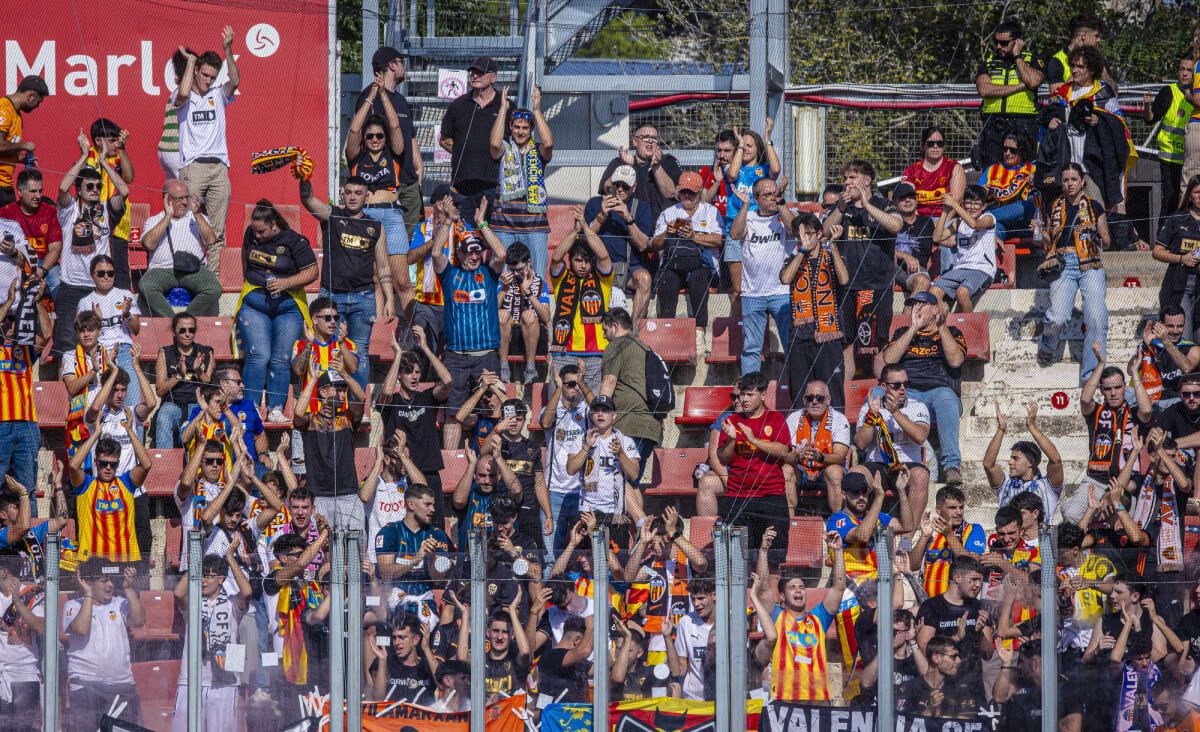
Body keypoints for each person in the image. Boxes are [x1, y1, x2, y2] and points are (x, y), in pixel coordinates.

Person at [299, 175, 394, 394]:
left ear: (367, 197)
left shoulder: (375, 226)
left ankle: (357, 404)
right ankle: (330, 400)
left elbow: (383, 267)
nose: (352, 197)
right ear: (343, 194)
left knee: (359, 352)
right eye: (348, 192)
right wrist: (304, 178)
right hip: (333, 297)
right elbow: (307, 199)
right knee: (329, 348)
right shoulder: (332, 215)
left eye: (358, 193)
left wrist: (389, 298)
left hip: (364, 298)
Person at [432, 195, 507, 450]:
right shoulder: (449, 275)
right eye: (469, 251)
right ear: (460, 253)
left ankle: (492, 460)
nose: (474, 256)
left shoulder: (489, 273)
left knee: (493, 407)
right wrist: (447, 222)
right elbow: (435, 252)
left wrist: (482, 224)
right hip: (456, 356)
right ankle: (450, 466)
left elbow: (501, 253)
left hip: (486, 355)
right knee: (453, 414)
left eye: (477, 251)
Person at [233, 200, 318, 421]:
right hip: (255, 305)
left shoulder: (295, 241)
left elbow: (312, 272)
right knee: (259, 355)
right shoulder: (251, 234)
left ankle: (275, 408)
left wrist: (285, 283)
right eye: (254, 230)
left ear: (273, 225)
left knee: (281, 358)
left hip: (287, 307)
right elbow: (245, 263)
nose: (257, 235)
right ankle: (250, 409)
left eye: (261, 231)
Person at [823, 160, 902, 379]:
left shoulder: (883, 204)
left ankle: (882, 393)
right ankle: (844, 396)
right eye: (845, 178)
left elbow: (896, 225)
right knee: (846, 344)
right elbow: (824, 232)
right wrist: (840, 208)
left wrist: (866, 204)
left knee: (875, 347)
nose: (847, 183)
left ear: (867, 180)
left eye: (852, 178)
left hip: (876, 286)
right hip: (847, 286)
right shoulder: (842, 207)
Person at [881, 290, 967, 485]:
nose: (917, 308)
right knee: (877, 392)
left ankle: (951, 466)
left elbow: (956, 360)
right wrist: (913, 328)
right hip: (907, 392)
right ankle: (875, 457)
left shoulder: (952, 332)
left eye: (922, 304)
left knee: (946, 398)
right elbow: (889, 360)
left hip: (938, 392)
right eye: (914, 304)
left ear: (935, 309)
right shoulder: (902, 333)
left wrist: (941, 327)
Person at [54, 135, 128, 358]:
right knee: (67, 345)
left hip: (98, 287)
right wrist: (85, 156)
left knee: (100, 342)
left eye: (98, 186)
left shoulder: (106, 209)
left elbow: (124, 191)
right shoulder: (70, 210)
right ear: (79, 189)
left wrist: (104, 162)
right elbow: (63, 187)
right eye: (89, 186)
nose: (95, 189)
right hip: (71, 286)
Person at [750, 533, 846, 702]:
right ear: (782, 596)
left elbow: (838, 588)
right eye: (792, 588)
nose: (798, 591)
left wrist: (838, 552)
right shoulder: (777, 616)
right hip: (785, 700)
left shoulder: (818, 619)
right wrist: (763, 551)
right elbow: (763, 589)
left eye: (801, 587)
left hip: (817, 700)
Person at [1037, 163, 1111, 381]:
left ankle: (1091, 375)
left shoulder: (1095, 206)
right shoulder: (1053, 205)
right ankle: (1047, 343)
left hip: (1090, 263)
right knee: (1058, 317)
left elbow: (1107, 241)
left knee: (1096, 317)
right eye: (1065, 180)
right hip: (1063, 262)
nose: (1069, 184)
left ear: (1082, 181)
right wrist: (1040, 231)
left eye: (1073, 179)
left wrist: (1095, 232)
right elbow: (1048, 241)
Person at [174, 30, 240, 272]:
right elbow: (183, 94)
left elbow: (234, 81)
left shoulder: (218, 94)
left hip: (219, 167)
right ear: (195, 71)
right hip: (193, 167)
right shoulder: (182, 94)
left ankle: (213, 280)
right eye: (204, 75)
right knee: (188, 222)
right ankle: (187, 274)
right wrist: (191, 62)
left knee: (217, 231)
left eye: (212, 77)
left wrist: (228, 50)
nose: (208, 81)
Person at [170, 548, 253, 732]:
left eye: (209, 576)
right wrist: (195, 561)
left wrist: (230, 558)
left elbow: (247, 592)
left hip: (225, 683)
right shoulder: (193, 602)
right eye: (201, 575)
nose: (203, 580)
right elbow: (178, 593)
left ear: (221, 579)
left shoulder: (232, 603)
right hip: (191, 680)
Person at [1041, 45, 1130, 213]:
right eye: (1073, 65)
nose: (1074, 70)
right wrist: (1050, 121)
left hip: (1093, 168)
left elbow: (1119, 124)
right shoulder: (1062, 92)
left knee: (1097, 211)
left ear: (1092, 69)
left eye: (1080, 66)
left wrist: (1100, 121)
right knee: (1063, 213)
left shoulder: (1103, 93)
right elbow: (1046, 117)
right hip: (1065, 167)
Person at [379, 326, 452, 525]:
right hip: (401, 474)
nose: (414, 377)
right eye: (408, 372)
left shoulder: (426, 397)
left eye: (418, 372)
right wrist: (398, 356)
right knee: (404, 527)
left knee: (435, 528)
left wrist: (426, 348)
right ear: (399, 375)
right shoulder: (392, 401)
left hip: (429, 472)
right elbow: (386, 391)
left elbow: (447, 381)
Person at [62, 561, 146, 732]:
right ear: (88, 582)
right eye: (104, 580)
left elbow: (139, 621)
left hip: (122, 685)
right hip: (86, 685)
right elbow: (81, 629)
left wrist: (129, 588)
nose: (110, 585)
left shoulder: (119, 603)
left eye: (111, 580)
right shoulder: (73, 605)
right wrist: (88, 595)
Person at [780, 212, 848, 410]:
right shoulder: (793, 259)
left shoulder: (832, 256)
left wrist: (833, 246)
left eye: (809, 234)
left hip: (829, 335)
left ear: (819, 234)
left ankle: (837, 430)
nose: (805, 239)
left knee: (833, 392)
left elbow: (844, 279)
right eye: (800, 235)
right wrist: (802, 250)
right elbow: (785, 279)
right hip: (800, 337)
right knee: (800, 394)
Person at [729, 176, 796, 376]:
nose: (773, 198)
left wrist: (781, 200)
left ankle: (797, 386)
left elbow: (794, 229)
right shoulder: (749, 217)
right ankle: (750, 388)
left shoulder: (784, 215)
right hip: (753, 293)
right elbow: (735, 234)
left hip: (781, 292)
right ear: (757, 199)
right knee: (751, 348)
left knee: (791, 344)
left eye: (775, 193)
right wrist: (744, 206)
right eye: (767, 195)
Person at [345, 74, 410, 278]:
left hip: (391, 216)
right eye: (370, 136)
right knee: (374, 278)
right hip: (364, 215)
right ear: (365, 139)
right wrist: (370, 96)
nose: (375, 139)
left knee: (401, 280)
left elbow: (395, 126)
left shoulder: (394, 154)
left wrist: (383, 94)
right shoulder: (357, 156)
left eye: (379, 135)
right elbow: (354, 129)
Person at [356, 46, 423, 241]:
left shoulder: (401, 100)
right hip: (383, 183)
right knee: (380, 241)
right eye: (401, 62)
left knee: (409, 242)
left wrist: (419, 169)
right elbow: (362, 136)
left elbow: (410, 136)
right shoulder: (370, 98)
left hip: (408, 182)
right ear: (392, 65)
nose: (403, 67)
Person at [549, 206, 617, 394]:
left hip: (596, 353)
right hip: (564, 351)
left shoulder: (602, 279)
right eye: (578, 260)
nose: (583, 265)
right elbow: (556, 258)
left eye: (587, 261)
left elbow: (604, 255)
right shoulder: (562, 278)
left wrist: (585, 227)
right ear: (570, 260)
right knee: (559, 402)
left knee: (593, 403)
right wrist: (575, 231)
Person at [488, 84, 554, 276]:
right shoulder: (504, 149)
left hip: (535, 226)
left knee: (537, 278)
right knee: (505, 280)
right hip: (504, 226)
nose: (520, 132)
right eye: (516, 127)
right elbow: (494, 144)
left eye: (525, 128)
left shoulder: (538, 151)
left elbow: (548, 143)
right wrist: (503, 109)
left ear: (531, 129)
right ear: (510, 127)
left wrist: (537, 110)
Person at [292, 367, 366, 531]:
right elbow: (298, 413)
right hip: (318, 496)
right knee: (321, 545)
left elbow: (361, 398)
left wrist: (345, 374)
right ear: (323, 392)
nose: (343, 395)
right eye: (338, 390)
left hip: (348, 494)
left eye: (344, 390)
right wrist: (313, 380)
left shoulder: (347, 418)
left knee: (354, 545)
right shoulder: (311, 420)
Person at [915, 555, 993, 710]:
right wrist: (956, 638)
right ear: (957, 578)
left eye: (980, 580)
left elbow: (988, 654)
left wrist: (979, 635)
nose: (978, 585)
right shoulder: (932, 607)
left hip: (973, 687)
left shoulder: (980, 607)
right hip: (940, 687)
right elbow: (924, 649)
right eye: (973, 580)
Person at [651, 171, 723, 337]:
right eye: (684, 192)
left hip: (703, 265)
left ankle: (699, 331)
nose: (687, 196)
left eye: (691, 192)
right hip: (674, 265)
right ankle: (666, 331)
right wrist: (667, 233)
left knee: (699, 278)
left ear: (700, 192)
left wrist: (694, 236)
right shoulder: (669, 212)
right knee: (667, 279)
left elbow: (720, 240)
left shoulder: (711, 212)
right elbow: (654, 244)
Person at [853, 364, 931, 514]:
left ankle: (911, 529)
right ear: (884, 386)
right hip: (877, 462)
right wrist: (871, 417)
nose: (902, 388)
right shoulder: (869, 408)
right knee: (855, 474)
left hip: (907, 463)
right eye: (896, 385)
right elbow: (861, 444)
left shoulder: (918, 407)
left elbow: (920, 437)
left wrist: (895, 412)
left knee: (921, 476)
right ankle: (856, 525)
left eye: (905, 384)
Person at [138, 179, 221, 316]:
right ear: (167, 199)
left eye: (186, 197)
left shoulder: (197, 217)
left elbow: (211, 240)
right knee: (146, 287)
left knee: (214, 289)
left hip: (194, 269)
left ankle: (187, 319)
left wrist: (197, 214)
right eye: (179, 198)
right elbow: (148, 244)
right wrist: (167, 216)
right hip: (162, 269)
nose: (185, 202)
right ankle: (172, 321)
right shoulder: (154, 220)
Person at [585, 165, 654, 322]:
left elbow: (643, 245)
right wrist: (602, 214)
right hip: (598, 268)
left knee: (644, 278)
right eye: (617, 184)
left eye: (626, 186)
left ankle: (635, 329)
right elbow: (585, 239)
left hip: (628, 270)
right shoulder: (595, 203)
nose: (620, 190)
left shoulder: (641, 208)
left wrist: (628, 218)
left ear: (634, 188)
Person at [599, 307, 662, 481]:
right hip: (650, 427)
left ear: (615, 326)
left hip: (628, 424)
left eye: (605, 330)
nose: (604, 336)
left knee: (620, 483)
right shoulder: (645, 347)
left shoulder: (616, 346)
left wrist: (598, 416)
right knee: (631, 484)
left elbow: (609, 382)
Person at [0, 286, 49, 509]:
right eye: (8, 320)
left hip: (27, 423)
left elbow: (46, 335)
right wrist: (10, 301)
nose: (11, 324)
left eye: (15, 319)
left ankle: (31, 530)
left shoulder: (26, 349)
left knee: (27, 487)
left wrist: (38, 302)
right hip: (1, 423)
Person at [440, 56, 504, 224]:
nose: (474, 76)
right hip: (463, 186)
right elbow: (444, 139)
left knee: (493, 233)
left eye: (480, 73)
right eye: (472, 72)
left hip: (495, 185)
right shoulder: (458, 105)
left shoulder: (505, 105)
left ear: (493, 77)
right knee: (465, 233)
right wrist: (466, 151)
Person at [540, 363, 593, 557]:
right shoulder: (551, 409)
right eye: (570, 384)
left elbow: (600, 411)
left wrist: (583, 383)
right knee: (550, 554)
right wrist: (557, 389)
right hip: (553, 491)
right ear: (562, 384)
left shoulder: (586, 411)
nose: (575, 388)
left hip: (581, 492)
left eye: (578, 383)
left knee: (582, 553)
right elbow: (546, 422)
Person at [974, 21, 1043, 169]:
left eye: (1004, 43)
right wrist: (1020, 86)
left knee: (1025, 169)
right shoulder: (989, 62)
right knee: (991, 170)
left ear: (1017, 42)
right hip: (993, 123)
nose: (999, 46)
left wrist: (1018, 56)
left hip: (1023, 123)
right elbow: (984, 90)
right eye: (996, 42)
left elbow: (1033, 82)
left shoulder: (1031, 60)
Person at [565, 395, 641, 526]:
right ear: (591, 415)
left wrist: (621, 454)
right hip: (589, 512)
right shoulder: (582, 439)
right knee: (596, 540)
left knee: (614, 541)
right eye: (596, 410)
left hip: (616, 512)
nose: (600, 414)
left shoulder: (625, 441)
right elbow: (570, 469)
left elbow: (634, 475)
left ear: (614, 415)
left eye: (605, 410)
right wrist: (586, 447)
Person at [983, 401, 1065, 520]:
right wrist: (1001, 429)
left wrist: (1031, 425)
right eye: (1011, 458)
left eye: (1015, 458)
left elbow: (1056, 461)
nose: (1010, 462)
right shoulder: (1005, 484)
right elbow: (988, 465)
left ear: (1031, 462)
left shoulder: (1047, 486)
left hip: (1040, 533)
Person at [827, 469, 909, 582]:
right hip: (851, 582)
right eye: (856, 492)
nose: (861, 497)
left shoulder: (876, 516)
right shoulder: (836, 520)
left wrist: (902, 491)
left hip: (878, 581)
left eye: (864, 492)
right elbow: (863, 536)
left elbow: (906, 527)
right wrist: (879, 497)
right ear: (844, 495)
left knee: (897, 583)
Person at [82, 120, 135, 288]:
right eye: (112, 141)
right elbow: (80, 180)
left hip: (117, 224)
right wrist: (85, 154)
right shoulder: (90, 156)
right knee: (95, 273)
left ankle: (124, 301)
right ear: (98, 140)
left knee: (120, 274)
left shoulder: (118, 156)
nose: (116, 144)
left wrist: (122, 149)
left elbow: (129, 178)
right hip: (95, 224)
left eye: (117, 140)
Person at [785, 379, 850, 513]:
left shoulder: (839, 419)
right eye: (810, 398)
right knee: (786, 469)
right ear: (804, 400)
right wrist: (797, 456)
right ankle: (789, 520)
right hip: (800, 469)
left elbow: (840, 457)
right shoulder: (793, 418)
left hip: (826, 468)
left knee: (834, 471)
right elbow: (786, 455)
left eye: (820, 398)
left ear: (828, 400)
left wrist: (820, 457)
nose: (814, 402)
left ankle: (839, 521)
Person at [929, 186, 998, 312]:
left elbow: (974, 224)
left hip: (981, 269)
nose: (972, 207)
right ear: (963, 204)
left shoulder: (988, 218)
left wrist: (954, 204)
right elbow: (936, 238)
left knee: (962, 293)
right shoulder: (958, 222)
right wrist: (946, 211)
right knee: (934, 292)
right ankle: (942, 322)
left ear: (984, 206)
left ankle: (968, 324)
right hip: (959, 268)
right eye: (968, 203)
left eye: (976, 204)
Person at [599, 124, 682, 225]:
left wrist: (657, 167)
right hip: (631, 223)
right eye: (645, 137)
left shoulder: (668, 161)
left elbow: (672, 193)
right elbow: (608, 191)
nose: (650, 141)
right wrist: (626, 167)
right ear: (635, 141)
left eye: (654, 138)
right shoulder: (620, 162)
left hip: (663, 224)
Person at [913, 485, 986, 598]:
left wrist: (949, 535)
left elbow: (972, 564)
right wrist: (924, 536)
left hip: (960, 604)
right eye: (952, 508)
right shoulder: (932, 533)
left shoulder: (973, 530)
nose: (959, 512)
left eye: (961, 507)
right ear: (938, 510)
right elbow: (913, 566)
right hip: (930, 603)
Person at [153, 313, 214, 448]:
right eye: (182, 330)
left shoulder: (205, 352)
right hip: (173, 403)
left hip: (198, 403)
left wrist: (198, 371)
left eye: (191, 330)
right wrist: (179, 376)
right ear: (174, 332)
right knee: (163, 418)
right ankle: (165, 459)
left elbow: (209, 382)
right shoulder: (165, 353)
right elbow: (160, 390)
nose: (187, 334)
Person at [0, 549, 44, 731]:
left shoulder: (32, 593)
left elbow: (40, 627)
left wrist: (18, 601)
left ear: (3, 572)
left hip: (24, 674)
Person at [0, 168, 62, 297]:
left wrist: (42, 270)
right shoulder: (6, 213)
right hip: (14, 261)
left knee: (56, 278)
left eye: (40, 191)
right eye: (33, 191)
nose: (38, 196)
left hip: (43, 262)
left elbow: (55, 248)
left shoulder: (50, 212)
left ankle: (52, 310)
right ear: (20, 192)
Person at [1144, 56, 1194, 213]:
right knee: (1170, 201)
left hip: (1191, 158)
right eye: (1181, 69)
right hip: (1170, 157)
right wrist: (1147, 105)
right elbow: (1151, 119)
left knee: (1191, 202)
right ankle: (1164, 229)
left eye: (1189, 70)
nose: (1184, 73)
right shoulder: (1168, 91)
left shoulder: (1197, 96)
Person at [497, 241, 549, 384]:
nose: (515, 274)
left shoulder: (539, 283)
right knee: (502, 314)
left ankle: (531, 369)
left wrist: (528, 292)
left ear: (529, 262)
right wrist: (503, 290)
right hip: (507, 335)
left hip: (533, 335)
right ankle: (503, 367)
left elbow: (545, 317)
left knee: (528, 315)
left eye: (519, 269)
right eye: (511, 269)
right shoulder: (503, 281)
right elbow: (491, 314)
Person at [1155, 176, 1200, 340]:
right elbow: (1157, 252)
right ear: (1189, 195)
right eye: (1197, 192)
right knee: (1183, 336)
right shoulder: (1177, 218)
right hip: (1179, 284)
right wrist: (1182, 259)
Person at [1131, 306, 1200, 408]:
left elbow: (1187, 368)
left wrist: (1165, 341)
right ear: (1161, 325)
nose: (1175, 331)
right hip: (1150, 400)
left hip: (1178, 402)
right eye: (1170, 326)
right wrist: (1145, 346)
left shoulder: (1192, 348)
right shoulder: (1152, 345)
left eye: (1180, 326)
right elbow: (1130, 370)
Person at [0, 76, 47, 208]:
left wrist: (22, 159)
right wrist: (22, 145)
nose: (38, 106)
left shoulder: (17, 116)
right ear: (30, 96)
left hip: (6, 185)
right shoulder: (4, 108)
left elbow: (6, 151)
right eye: (38, 101)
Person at [979, 131, 1037, 236]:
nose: (1007, 153)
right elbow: (976, 196)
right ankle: (987, 221)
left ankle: (983, 218)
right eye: (1005, 149)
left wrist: (1036, 180)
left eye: (1013, 150)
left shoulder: (1032, 169)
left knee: (1024, 205)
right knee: (994, 231)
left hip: (1024, 221)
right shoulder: (991, 170)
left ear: (1022, 151)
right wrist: (983, 192)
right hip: (1000, 222)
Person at [902, 127, 965, 218]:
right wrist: (918, 222)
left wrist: (940, 224)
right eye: (931, 143)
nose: (935, 147)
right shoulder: (912, 170)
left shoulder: (955, 167)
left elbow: (956, 202)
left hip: (947, 219)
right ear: (923, 146)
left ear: (944, 147)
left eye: (940, 143)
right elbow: (906, 199)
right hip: (919, 218)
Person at [891, 182, 936, 297]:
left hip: (917, 271)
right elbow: (881, 249)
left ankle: (909, 308)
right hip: (893, 267)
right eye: (902, 197)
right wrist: (905, 256)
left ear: (916, 200)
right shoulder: (890, 222)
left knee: (922, 281)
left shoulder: (927, 222)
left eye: (911, 196)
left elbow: (939, 242)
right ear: (895, 202)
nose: (907, 200)